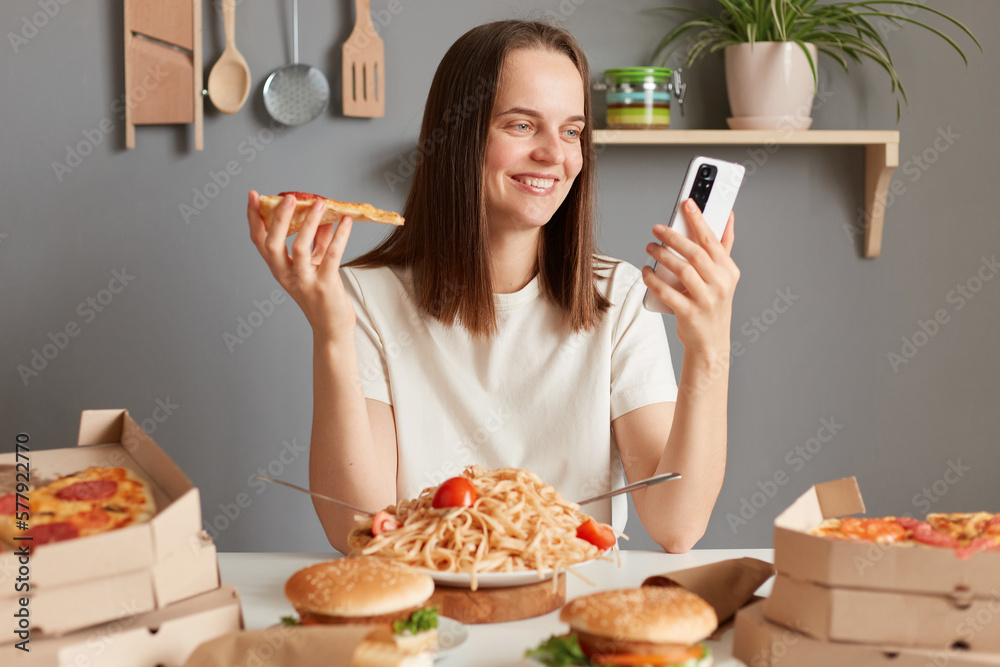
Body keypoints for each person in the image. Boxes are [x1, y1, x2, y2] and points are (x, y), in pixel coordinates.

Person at [246, 20, 739, 555]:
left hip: (572, 605)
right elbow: (359, 532)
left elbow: (677, 525)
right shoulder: (364, 298)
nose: (556, 154)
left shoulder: (617, 298)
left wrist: (709, 348)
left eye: (572, 131)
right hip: (430, 608)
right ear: (459, 136)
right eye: (522, 125)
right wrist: (332, 334)